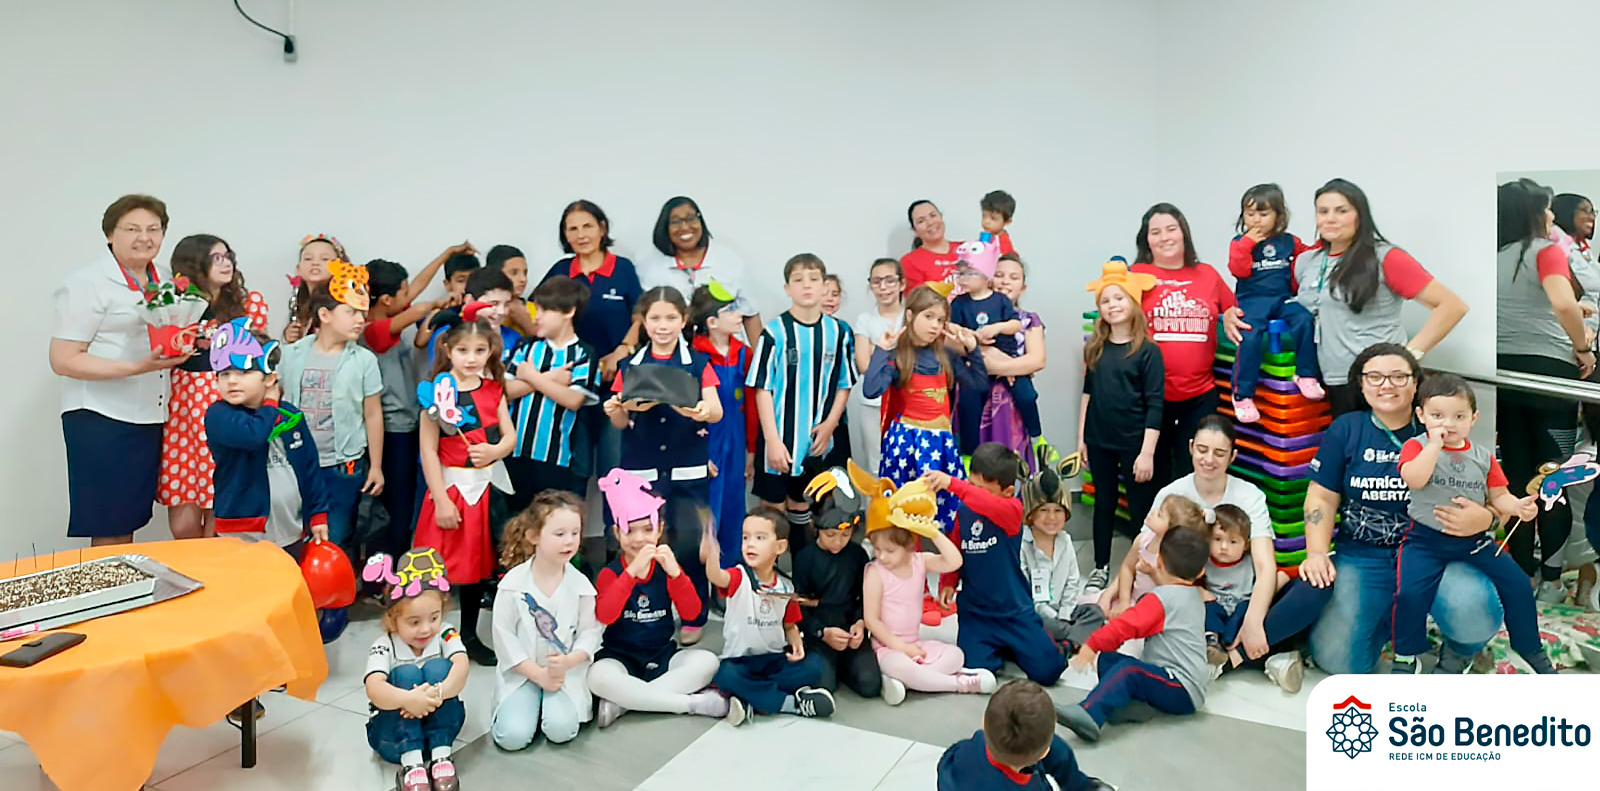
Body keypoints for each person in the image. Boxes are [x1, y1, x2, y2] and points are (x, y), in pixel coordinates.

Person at [1305, 343, 1505, 674]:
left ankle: (1460, 651)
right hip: (1363, 554)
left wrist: (1487, 519)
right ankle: (1390, 620)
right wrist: (1316, 552)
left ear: (1415, 383)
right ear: (1361, 383)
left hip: (1437, 551)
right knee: (1337, 661)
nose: (1387, 385)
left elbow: (1499, 500)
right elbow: (1321, 496)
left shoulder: (1444, 424)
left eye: (1399, 376)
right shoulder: (1347, 428)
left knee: (1474, 613)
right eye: (1375, 377)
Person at [1391, 374, 1555, 674]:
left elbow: (1500, 496)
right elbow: (1414, 478)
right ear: (1421, 415)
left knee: (1519, 584)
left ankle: (1529, 646)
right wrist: (1434, 446)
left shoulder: (1483, 457)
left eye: (1459, 416)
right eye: (1438, 416)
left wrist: (1518, 507)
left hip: (1474, 541)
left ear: (1474, 418)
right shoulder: (1416, 446)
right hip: (1424, 541)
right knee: (1410, 594)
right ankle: (1405, 654)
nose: (1448, 424)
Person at [51, 194, 189, 545]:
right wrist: (136, 367)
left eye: (153, 229)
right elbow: (63, 359)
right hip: (102, 416)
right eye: (132, 229)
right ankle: (107, 582)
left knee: (131, 516)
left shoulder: (166, 280)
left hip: (151, 414)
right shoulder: (87, 283)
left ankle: (123, 581)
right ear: (110, 234)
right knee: (110, 523)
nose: (144, 237)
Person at [1151, 415, 1327, 682]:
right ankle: (1268, 654)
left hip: (1244, 596)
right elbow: (1148, 554)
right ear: (1190, 447)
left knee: (1316, 584)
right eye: (1202, 450)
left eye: (1219, 453)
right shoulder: (1171, 495)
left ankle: (1232, 658)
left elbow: (1265, 566)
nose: (1209, 459)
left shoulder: (1250, 496)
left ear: (1232, 456)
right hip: (1199, 601)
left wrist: (1254, 620)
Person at [604, 286, 722, 643]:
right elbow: (621, 421)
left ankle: (694, 615)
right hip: (641, 472)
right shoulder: (630, 365)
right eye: (655, 318)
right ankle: (644, 612)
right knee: (640, 542)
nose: (663, 325)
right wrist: (615, 410)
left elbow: (716, 410)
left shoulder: (698, 363)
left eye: (671, 317)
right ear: (643, 321)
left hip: (688, 468)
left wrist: (701, 411)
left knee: (689, 542)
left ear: (683, 320)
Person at [1293, 179, 1468, 416]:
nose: (1330, 218)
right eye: (1323, 211)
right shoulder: (1307, 261)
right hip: (1334, 380)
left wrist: (1409, 356)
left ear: (1360, 215)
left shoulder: (1386, 257)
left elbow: (1452, 306)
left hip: (1382, 382)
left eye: (1342, 211)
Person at [1496, 178, 1591, 596]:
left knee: (1517, 478)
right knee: (1553, 477)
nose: (1552, 215)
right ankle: (1551, 579)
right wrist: (1582, 347)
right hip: (1550, 374)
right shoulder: (1544, 250)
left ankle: (1523, 574)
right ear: (1533, 213)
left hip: (1504, 373)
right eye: (1547, 208)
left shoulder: (1495, 255)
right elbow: (1562, 303)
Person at [276, 266, 385, 629]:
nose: (360, 320)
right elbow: (277, 403)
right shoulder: (292, 354)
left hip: (342, 466)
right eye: (351, 312)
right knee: (293, 541)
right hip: (294, 466)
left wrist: (376, 465)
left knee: (334, 540)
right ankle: (294, 616)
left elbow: (372, 414)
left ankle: (331, 619)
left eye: (363, 312)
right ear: (324, 314)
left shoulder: (364, 360)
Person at [412, 308, 514, 666]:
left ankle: (469, 635)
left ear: (491, 351)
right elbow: (428, 450)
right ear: (448, 350)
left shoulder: (494, 390)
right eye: (463, 351)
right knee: (435, 569)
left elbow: (509, 437)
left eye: (480, 350)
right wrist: (441, 500)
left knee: (476, 570)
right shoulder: (435, 395)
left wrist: (495, 451)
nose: (471, 358)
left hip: (485, 491)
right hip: (450, 490)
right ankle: (423, 634)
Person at [589, 472, 727, 727]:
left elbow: (692, 613)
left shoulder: (666, 567)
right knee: (597, 676)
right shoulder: (611, 572)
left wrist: (676, 574)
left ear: (660, 529)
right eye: (630, 530)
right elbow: (605, 615)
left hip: (661, 653)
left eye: (647, 529)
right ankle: (689, 705)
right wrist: (631, 573)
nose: (639, 538)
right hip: (619, 656)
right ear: (617, 533)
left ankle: (624, 703)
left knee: (707, 662)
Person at [927, 442, 1066, 685]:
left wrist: (954, 484)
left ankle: (1052, 641)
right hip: (976, 614)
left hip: (1013, 612)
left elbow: (986, 503)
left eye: (982, 489)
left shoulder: (1012, 510)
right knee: (977, 668)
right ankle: (1003, 648)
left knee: (1048, 671)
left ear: (1008, 491)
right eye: (971, 485)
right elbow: (956, 547)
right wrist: (948, 581)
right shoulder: (965, 511)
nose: (973, 493)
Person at [1054, 526, 1210, 743]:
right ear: (1201, 572)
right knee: (1109, 659)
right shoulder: (1191, 595)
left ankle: (1090, 714)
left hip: (1181, 687)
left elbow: (1126, 625)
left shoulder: (1162, 599)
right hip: (1180, 685)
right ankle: (1134, 706)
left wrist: (1092, 644)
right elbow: (1170, 594)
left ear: (1159, 560)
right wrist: (1155, 575)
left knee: (1129, 670)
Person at [160, 234, 269, 540]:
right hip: (182, 407)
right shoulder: (173, 304)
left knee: (219, 498)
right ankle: (189, 564)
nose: (226, 263)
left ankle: (213, 565)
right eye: (215, 258)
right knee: (183, 512)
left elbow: (258, 357)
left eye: (227, 256)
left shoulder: (248, 304)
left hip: (226, 402)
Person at [1130, 203, 1246, 483]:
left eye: (1171, 229)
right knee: (1153, 472)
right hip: (1150, 395)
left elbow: (1235, 308)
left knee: (1193, 473)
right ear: (1146, 240)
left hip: (1199, 395)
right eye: (1155, 232)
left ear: (1183, 233)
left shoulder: (1207, 274)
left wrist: (1232, 312)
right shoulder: (1135, 275)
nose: (1165, 237)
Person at [747, 254, 857, 543]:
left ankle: (801, 563)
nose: (806, 285)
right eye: (798, 280)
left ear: (824, 286)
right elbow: (762, 388)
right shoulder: (774, 332)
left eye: (813, 279)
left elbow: (844, 384)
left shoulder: (839, 332)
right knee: (772, 505)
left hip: (817, 437)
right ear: (787, 288)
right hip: (779, 437)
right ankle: (768, 565)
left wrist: (830, 424)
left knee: (805, 502)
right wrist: (772, 440)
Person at [863, 285, 985, 530]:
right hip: (906, 444)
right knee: (904, 510)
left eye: (940, 320)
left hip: (941, 442)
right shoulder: (898, 355)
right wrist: (882, 350)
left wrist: (973, 349)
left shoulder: (946, 356)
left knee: (944, 510)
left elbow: (979, 384)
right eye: (928, 316)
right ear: (910, 315)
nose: (934, 325)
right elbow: (871, 389)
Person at [539, 199, 643, 479]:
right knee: (574, 470)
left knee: (615, 471)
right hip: (571, 385)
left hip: (616, 384)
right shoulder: (560, 270)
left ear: (602, 228)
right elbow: (538, 315)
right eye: (572, 229)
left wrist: (622, 350)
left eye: (587, 226)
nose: (581, 235)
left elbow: (640, 315)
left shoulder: (622, 268)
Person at [703, 507, 835, 725]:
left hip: (773, 658)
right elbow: (716, 576)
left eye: (760, 538)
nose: (750, 544)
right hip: (740, 660)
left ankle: (750, 697)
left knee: (815, 666)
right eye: (745, 538)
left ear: (780, 547)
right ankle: (791, 703)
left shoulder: (786, 586)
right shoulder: (739, 576)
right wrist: (711, 555)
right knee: (726, 675)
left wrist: (796, 643)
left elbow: (790, 625)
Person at [205, 321, 328, 555]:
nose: (232, 381)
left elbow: (310, 466)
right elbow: (254, 435)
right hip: (241, 533)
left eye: (243, 372)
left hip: (291, 529)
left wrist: (318, 513)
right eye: (224, 374)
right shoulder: (219, 415)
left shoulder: (290, 415)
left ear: (269, 378)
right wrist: (271, 402)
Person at [491, 491, 601, 749]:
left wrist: (568, 662)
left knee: (561, 730)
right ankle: (528, 702)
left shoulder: (582, 586)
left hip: (565, 674)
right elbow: (504, 637)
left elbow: (589, 633)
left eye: (575, 533)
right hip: (523, 673)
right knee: (512, 737)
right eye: (559, 534)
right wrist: (538, 675)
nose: (569, 541)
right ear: (534, 536)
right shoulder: (512, 585)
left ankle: (548, 706)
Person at [1078, 260, 1164, 589]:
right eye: (1105, 300)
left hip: (1134, 443)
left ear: (1133, 303)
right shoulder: (1095, 348)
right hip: (1099, 440)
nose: (1112, 305)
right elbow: (1087, 394)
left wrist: (1147, 452)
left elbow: (1155, 404)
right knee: (1104, 503)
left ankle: (1143, 567)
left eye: (1119, 298)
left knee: (1141, 507)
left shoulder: (1148, 352)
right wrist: (1082, 439)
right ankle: (1100, 566)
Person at [362, 255, 456, 555]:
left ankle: (396, 561)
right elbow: (415, 308)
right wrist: (437, 303)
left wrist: (446, 254)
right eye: (403, 292)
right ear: (386, 300)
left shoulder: (390, 314)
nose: (410, 295)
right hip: (393, 431)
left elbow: (416, 288)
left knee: (406, 502)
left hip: (407, 425)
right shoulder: (371, 330)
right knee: (395, 506)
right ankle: (386, 568)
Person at [362, 547, 468, 791]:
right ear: (393, 618)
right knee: (406, 674)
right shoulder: (384, 644)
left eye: (434, 617)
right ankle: (411, 763)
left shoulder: (446, 633)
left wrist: (436, 694)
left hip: (439, 731)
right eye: (414, 622)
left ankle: (441, 756)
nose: (426, 629)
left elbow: (461, 666)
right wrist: (409, 700)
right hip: (393, 738)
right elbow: (374, 688)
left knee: (440, 667)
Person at [864, 521, 992, 703]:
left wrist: (933, 533)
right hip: (887, 648)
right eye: (877, 549)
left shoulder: (920, 561)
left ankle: (910, 682)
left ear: (908, 546)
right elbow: (872, 620)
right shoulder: (875, 572)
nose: (882, 556)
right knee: (901, 666)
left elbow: (954, 562)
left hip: (915, 644)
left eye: (890, 551)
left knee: (956, 655)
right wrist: (902, 648)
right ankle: (959, 684)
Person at [1226, 183, 1321, 423]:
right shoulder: (1239, 242)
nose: (1256, 220)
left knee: (1304, 319)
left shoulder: (1289, 241)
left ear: (1278, 215)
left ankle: (1306, 375)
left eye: (1263, 213)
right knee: (1250, 337)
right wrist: (1247, 243)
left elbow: (1308, 256)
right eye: (1250, 214)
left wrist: (1325, 241)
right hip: (1252, 301)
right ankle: (1242, 395)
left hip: (1282, 298)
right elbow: (1239, 269)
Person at [503, 275, 597, 507]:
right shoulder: (525, 347)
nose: (537, 316)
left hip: (557, 458)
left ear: (569, 311)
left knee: (551, 516)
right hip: (515, 453)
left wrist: (531, 376)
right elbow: (505, 391)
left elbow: (573, 399)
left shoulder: (583, 353)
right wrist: (550, 379)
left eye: (544, 310)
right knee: (515, 519)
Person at [938, 680, 1115, 791]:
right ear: (1043, 753)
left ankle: (1079, 786)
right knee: (1051, 746)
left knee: (1053, 747)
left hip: (979, 774)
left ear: (984, 722)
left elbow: (944, 765)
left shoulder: (969, 746)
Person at [792, 482, 881, 701]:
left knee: (870, 684)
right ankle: (832, 668)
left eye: (845, 534)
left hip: (850, 628)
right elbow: (799, 606)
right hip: (821, 631)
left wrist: (861, 622)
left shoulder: (857, 555)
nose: (838, 542)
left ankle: (846, 667)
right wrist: (821, 632)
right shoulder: (805, 558)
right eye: (831, 535)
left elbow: (865, 596)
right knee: (824, 684)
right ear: (816, 527)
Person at [688, 283, 755, 563]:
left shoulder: (744, 354)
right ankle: (701, 575)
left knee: (734, 507)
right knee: (705, 512)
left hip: (736, 444)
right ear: (712, 321)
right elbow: (684, 411)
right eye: (731, 310)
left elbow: (751, 405)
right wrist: (696, 454)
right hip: (705, 443)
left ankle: (730, 575)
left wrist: (751, 450)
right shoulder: (693, 355)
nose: (739, 315)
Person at [949, 241, 1037, 456]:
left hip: (1008, 361)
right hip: (974, 364)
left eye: (969, 273)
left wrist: (996, 329)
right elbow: (952, 330)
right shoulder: (958, 303)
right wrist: (974, 338)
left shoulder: (1001, 301)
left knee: (1026, 395)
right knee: (968, 404)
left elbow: (1016, 326)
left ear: (984, 275)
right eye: (961, 273)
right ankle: (968, 453)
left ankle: (1038, 438)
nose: (963, 278)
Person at [637, 196, 762, 340]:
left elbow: (750, 314)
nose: (685, 227)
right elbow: (639, 316)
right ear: (665, 227)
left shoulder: (730, 261)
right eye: (675, 222)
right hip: (670, 349)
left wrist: (759, 353)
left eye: (690, 218)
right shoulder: (648, 264)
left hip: (725, 351)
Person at [1019, 463, 1105, 652]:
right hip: (1036, 614)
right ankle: (1074, 640)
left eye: (1058, 510)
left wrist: (1065, 615)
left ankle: (1066, 643)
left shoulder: (1065, 540)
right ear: (1031, 513)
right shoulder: (1022, 545)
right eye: (1043, 510)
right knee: (1031, 624)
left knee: (1095, 612)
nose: (1051, 517)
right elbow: (1025, 594)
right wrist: (1054, 618)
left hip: (1064, 613)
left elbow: (1073, 582)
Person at [1099, 494, 1204, 616]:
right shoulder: (1143, 539)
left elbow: (1174, 591)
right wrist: (1124, 602)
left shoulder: (1176, 557)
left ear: (1171, 530)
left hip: (1159, 612)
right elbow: (1127, 568)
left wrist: (1154, 574)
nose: (1152, 512)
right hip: (1133, 601)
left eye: (1159, 515)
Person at [851, 258, 905, 474]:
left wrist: (878, 350)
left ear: (901, 284)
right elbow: (863, 364)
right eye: (876, 281)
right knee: (876, 463)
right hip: (873, 403)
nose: (883, 287)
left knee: (906, 461)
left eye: (890, 280)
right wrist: (896, 351)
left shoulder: (911, 317)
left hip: (907, 400)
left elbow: (913, 361)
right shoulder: (865, 319)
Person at [422, 268, 519, 362]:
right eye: (494, 304)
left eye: (506, 304)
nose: (501, 311)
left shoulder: (513, 337)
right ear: (470, 300)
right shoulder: (447, 335)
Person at [283, 233, 346, 343]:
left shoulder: (342, 306)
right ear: (298, 269)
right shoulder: (299, 305)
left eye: (324, 259)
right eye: (308, 259)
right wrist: (292, 337)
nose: (315, 263)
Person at [901, 200, 963, 293]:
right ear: (915, 230)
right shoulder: (909, 261)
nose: (930, 223)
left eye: (933, 215)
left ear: (941, 217)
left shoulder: (965, 248)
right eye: (921, 221)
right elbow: (917, 299)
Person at [486, 243, 537, 338]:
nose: (523, 279)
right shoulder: (481, 308)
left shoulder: (536, 309)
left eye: (525, 273)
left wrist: (526, 322)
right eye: (514, 273)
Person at [979, 189, 1018, 256]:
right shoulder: (987, 236)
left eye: (993, 218)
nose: (986, 221)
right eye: (984, 216)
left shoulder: (1003, 244)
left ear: (1007, 221)